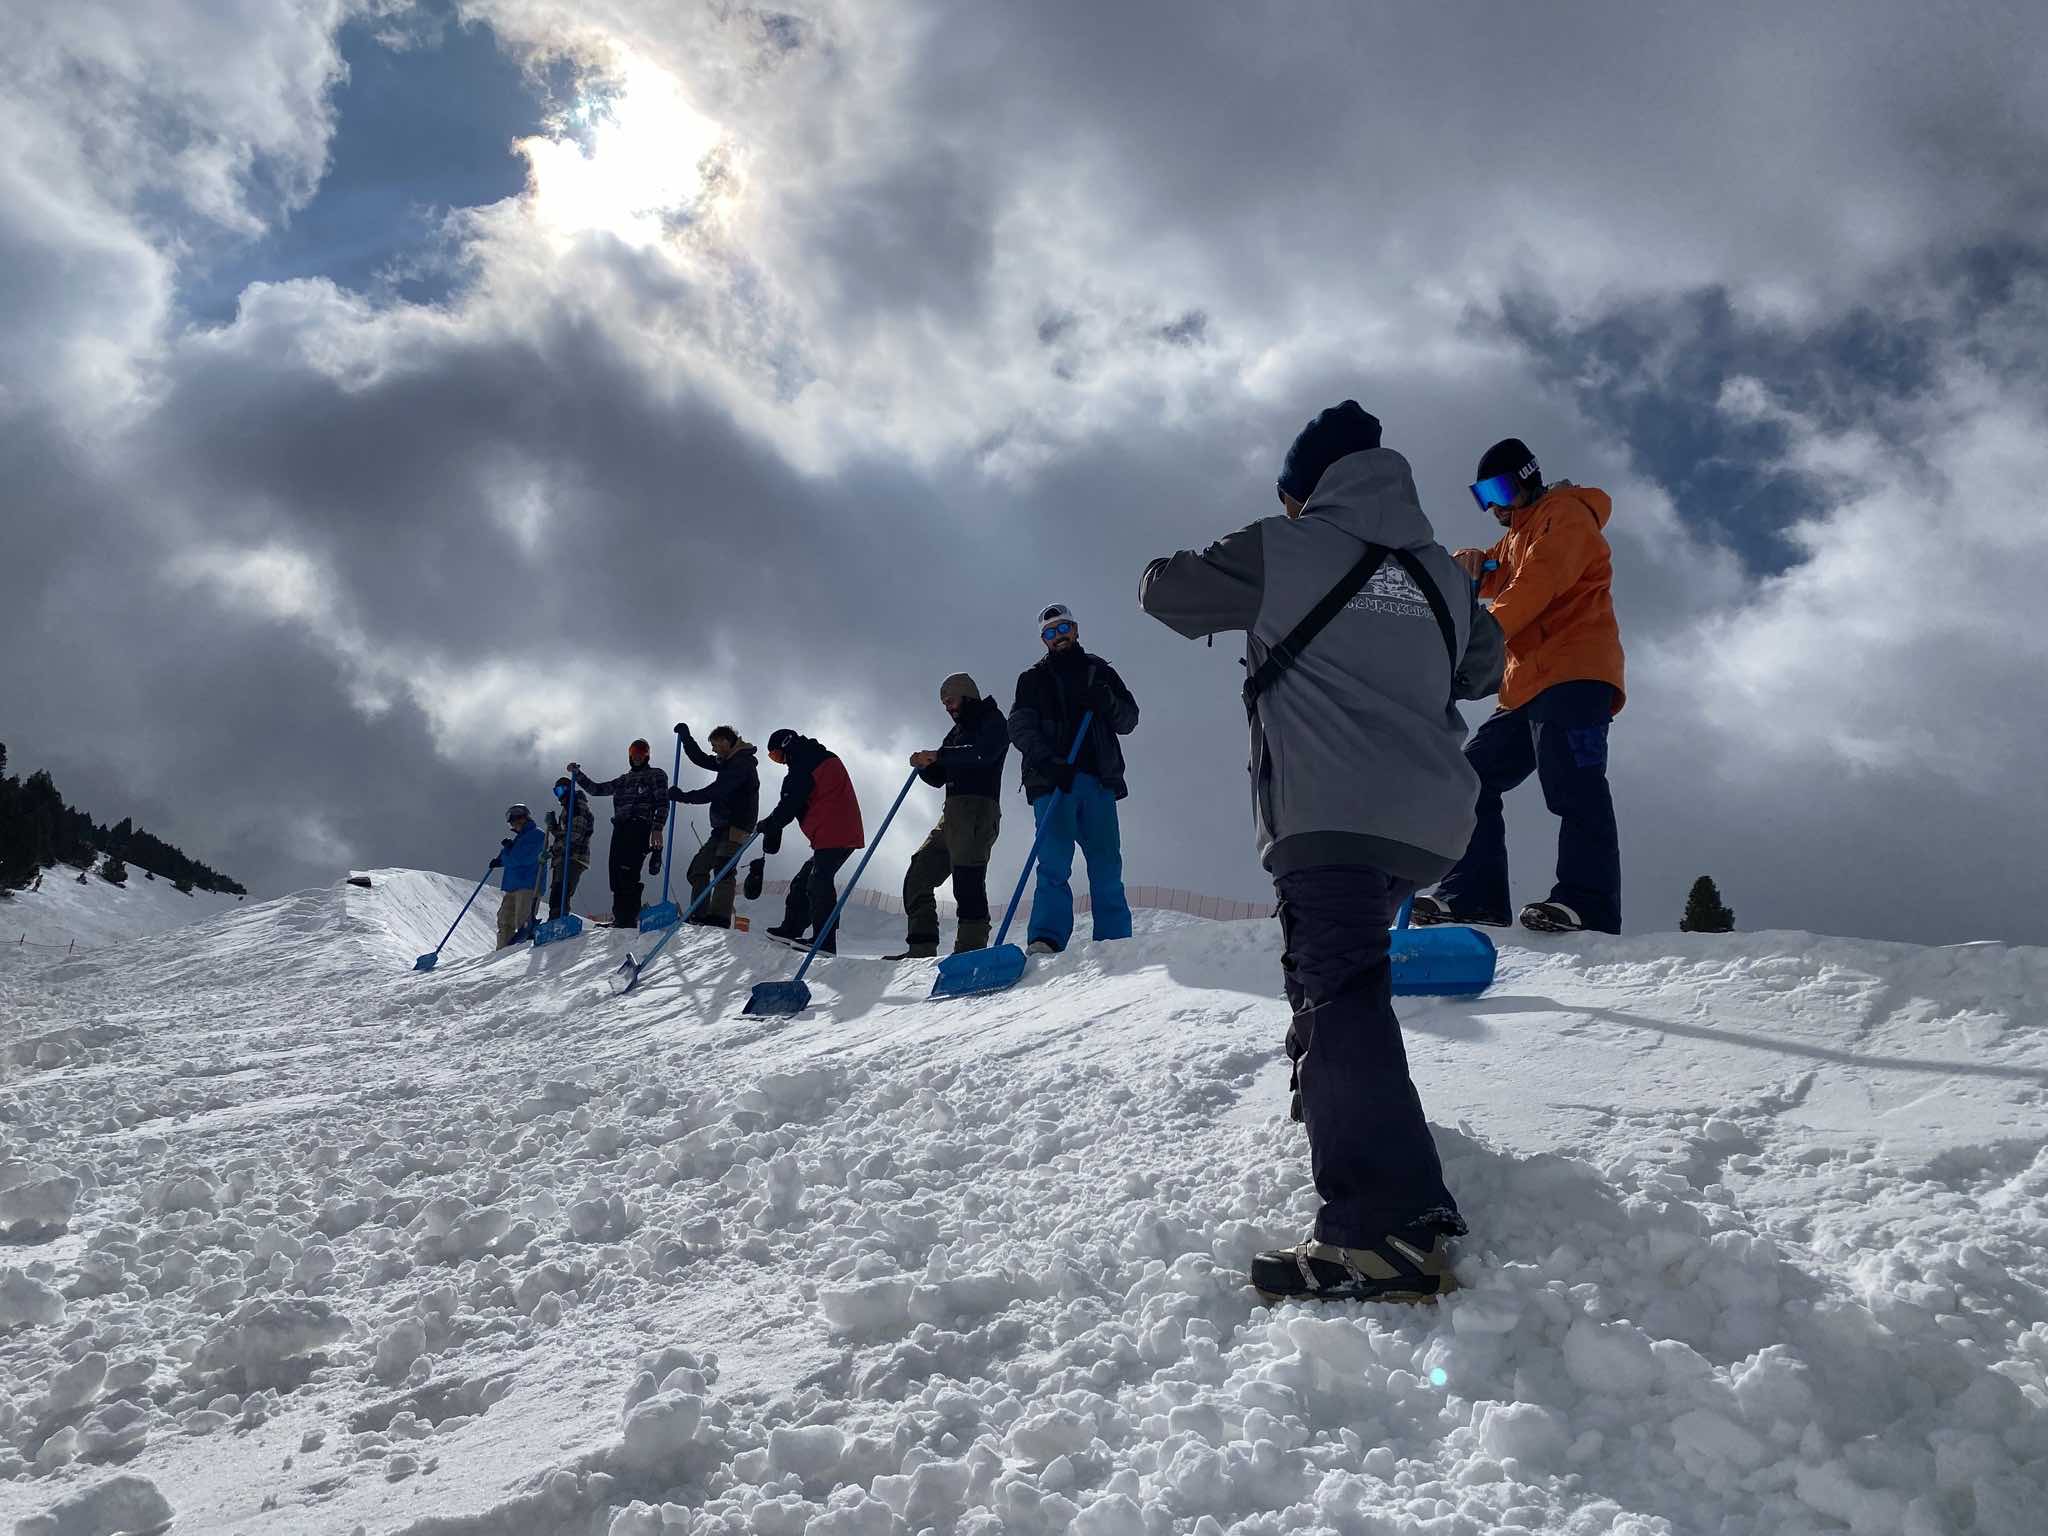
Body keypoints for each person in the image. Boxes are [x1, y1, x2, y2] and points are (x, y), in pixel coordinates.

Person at [1139, 398, 1506, 1304]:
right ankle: (1338, 1101)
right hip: (1428, 821)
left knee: (1340, 989)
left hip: (1330, 810)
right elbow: (1485, 670)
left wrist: (1270, 541)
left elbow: (1164, 591)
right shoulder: (1442, 576)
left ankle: (1382, 1226)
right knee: (1334, 977)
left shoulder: (1286, 544)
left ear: (1306, 488)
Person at [1412, 437, 1625, 935]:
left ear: (1527, 478)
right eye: (1483, 495)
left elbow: (1537, 582)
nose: (1494, 506)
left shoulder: (1566, 517)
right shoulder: (1518, 533)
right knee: (1469, 779)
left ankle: (1586, 902)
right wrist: (1465, 561)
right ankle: (1473, 897)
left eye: (1501, 490)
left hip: (1574, 674)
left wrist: (1481, 639)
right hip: (1524, 687)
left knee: (1573, 785)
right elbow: (1493, 567)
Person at [1008, 604, 1139, 955]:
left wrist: (1106, 700)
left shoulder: (1099, 672)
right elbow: (1019, 727)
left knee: (1106, 861)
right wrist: (1049, 764)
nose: (1058, 636)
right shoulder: (1032, 680)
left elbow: (1128, 719)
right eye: (1050, 632)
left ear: (1076, 629)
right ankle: (1047, 937)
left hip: (1097, 780)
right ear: (1043, 640)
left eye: (1063, 627)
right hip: (1054, 783)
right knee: (1052, 861)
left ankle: (1113, 940)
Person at [887, 673, 1009, 960]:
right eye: (944, 704)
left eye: (951, 701)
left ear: (967, 695)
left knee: (967, 881)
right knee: (919, 872)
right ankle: (921, 946)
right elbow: (939, 777)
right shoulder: (956, 734)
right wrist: (924, 766)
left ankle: (969, 952)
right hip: (952, 814)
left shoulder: (992, 720)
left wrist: (938, 756)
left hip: (978, 810)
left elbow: (983, 755)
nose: (948, 708)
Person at [758, 730, 865, 955]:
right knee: (804, 880)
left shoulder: (804, 764)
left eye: (777, 756)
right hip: (832, 831)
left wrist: (770, 824)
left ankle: (825, 941)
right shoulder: (815, 757)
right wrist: (774, 824)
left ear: (786, 746)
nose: (780, 762)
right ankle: (791, 928)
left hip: (835, 831)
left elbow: (790, 803)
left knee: (818, 881)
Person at [570, 739, 670, 928]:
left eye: (641, 752)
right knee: (615, 873)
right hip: (620, 828)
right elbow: (597, 789)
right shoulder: (623, 779)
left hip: (639, 825)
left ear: (647, 755)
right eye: (633, 752)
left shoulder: (655, 775)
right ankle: (620, 917)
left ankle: (628, 918)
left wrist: (657, 828)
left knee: (628, 872)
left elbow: (663, 803)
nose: (637, 756)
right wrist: (578, 775)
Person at [668, 723, 760, 928]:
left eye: (716, 745)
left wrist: (683, 797)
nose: (714, 750)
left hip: (737, 827)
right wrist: (686, 738)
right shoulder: (728, 761)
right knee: (697, 869)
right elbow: (701, 759)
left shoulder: (741, 764)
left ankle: (719, 918)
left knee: (723, 869)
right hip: (720, 828)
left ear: (727, 742)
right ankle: (699, 914)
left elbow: (716, 791)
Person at [490, 804, 547, 948]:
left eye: (519, 817)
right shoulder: (519, 839)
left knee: (523, 920)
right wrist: (502, 859)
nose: (516, 822)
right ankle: (502, 952)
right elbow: (514, 857)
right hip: (513, 885)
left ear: (526, 817)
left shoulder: (537, 834)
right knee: (504, 919)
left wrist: (507, 854)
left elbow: (521, 858)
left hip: (529, 884)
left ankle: (522, 951)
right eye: (513, 820)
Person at [542, 777, 593, 921]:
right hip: (563, 857)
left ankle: (559, 920)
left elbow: (575, 835)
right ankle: (555, 920)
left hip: (573, 856)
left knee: (561, 890)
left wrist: (553, 850)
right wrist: (553, 827)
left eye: (562, 790)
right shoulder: (567, 808)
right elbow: (564, 835)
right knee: (557, 891)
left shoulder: (576, 806)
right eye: (556, 792)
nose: (559, 795)